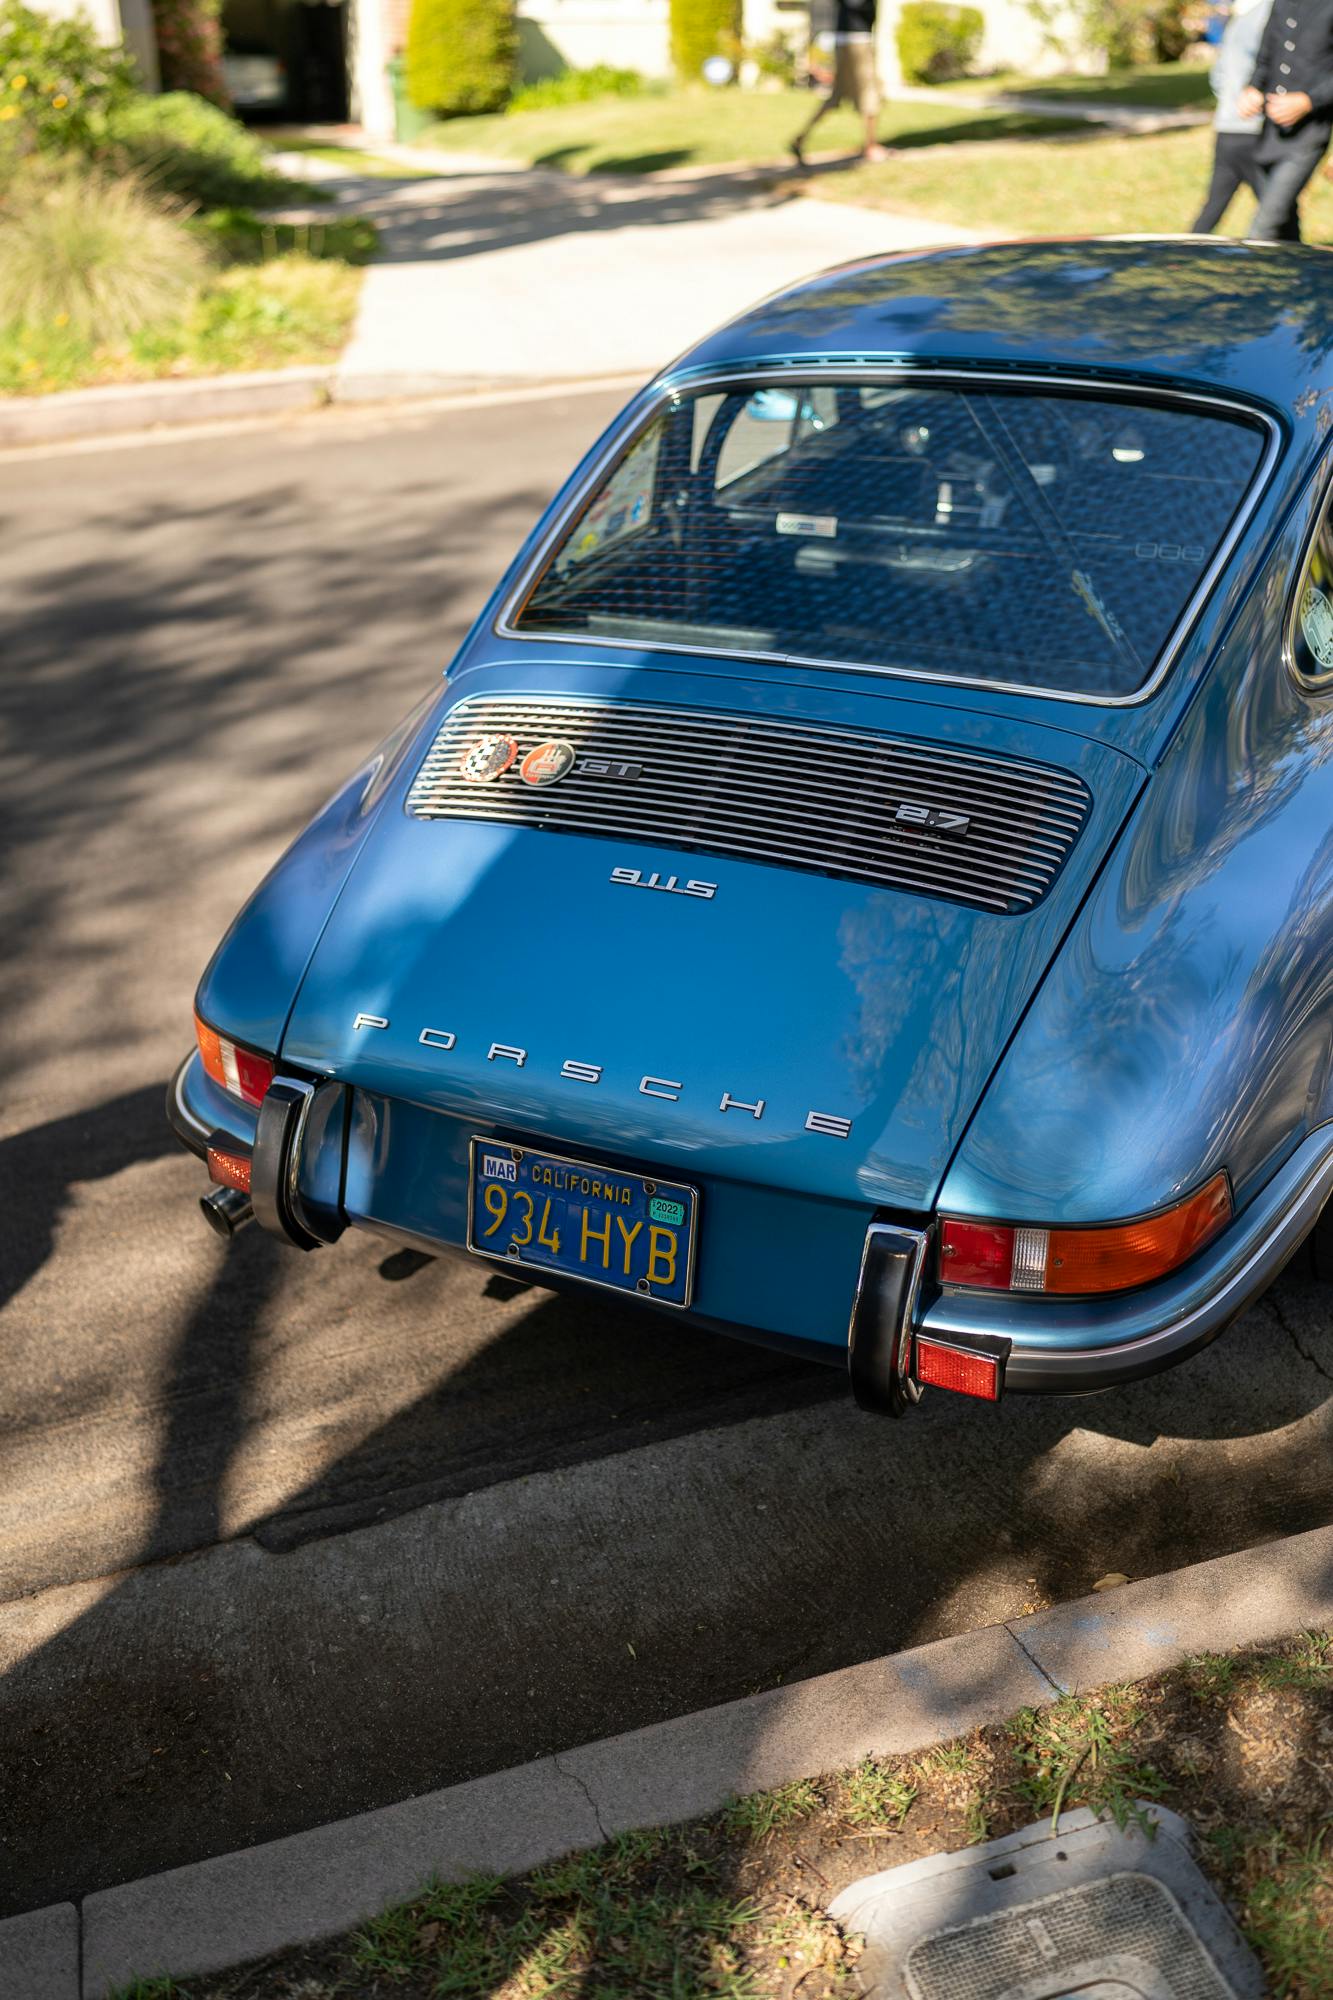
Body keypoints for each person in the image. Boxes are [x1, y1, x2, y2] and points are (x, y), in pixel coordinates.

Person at [1237, 0, 1333, 239]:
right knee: (1285, 224)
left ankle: (1254, 260)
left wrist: (1309, 101)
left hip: (1310, 133)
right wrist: (1253, 88)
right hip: (1270, 131)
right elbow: (1266, 53)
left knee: (1264, 226)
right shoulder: (1281, 3)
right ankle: (1297, 263)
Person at [1192, 0, 1272, 231]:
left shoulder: (1239, 20)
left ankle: (1183, 252)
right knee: (1277, 210)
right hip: (1254, 128)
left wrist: (1231, 101)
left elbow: (1218, 76)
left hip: (1226, 126)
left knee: (1212, 209)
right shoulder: (1270, 13)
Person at [791, 0, 890, 168]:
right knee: (870, 92)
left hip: (852, 38)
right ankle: (871, 146)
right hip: (856, 40)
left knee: (838, 96)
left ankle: (800, 139)